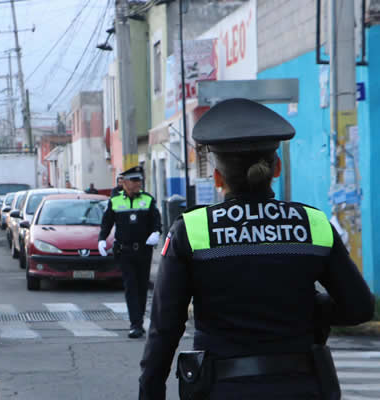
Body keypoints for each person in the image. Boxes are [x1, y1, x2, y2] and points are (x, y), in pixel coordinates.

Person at [139, 98, 375, 399]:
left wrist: (150, 390)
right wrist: (310, 308)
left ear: (218, 176)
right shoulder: (313, 224)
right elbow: (359, 307)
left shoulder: (192, 230)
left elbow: (165, 327)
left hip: (222, 390)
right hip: (301, 387)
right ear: (276, 167)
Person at [98, 166, 161, 338]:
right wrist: (102, 239)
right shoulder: (115, 201)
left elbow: (156, 219)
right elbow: (107, 221)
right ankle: (136, 324)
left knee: (141, 288)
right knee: (131, 287)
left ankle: (138, 320)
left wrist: (156, 232)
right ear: (124, 183)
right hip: (125, 251)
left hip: (143, 251)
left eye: (139, 180)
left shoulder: (148, 199)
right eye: (134, 181)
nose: (138, 184)